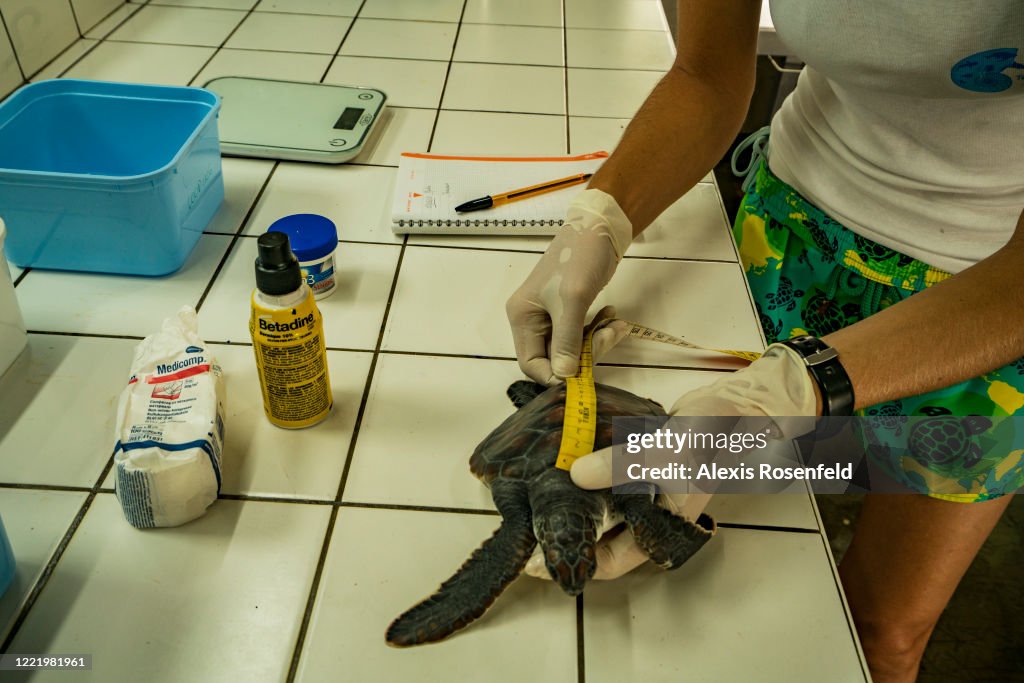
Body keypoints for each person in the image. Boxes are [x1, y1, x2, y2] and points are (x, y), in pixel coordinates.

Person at [505, 2, 1024, 682]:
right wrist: (600, 217)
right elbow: (706, 73)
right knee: (739, 579)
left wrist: (789, 387)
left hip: (979, 305)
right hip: (790, 245)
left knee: (878, 634)